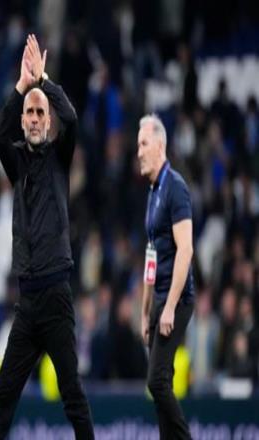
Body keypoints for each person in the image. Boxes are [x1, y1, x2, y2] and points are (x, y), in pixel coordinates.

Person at [0, 34, 94, 439]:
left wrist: (43, 81)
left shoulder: (60, 159)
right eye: (28, 112)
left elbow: (73, 118)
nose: (32, 117)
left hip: (55, 298)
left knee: (72, 395)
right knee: (3, 396)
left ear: (48, 123)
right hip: (27, 302)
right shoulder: (16, 161)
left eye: (39, 113)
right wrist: (21, 86)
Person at [138, 114, 194, 439]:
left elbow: (185, 249)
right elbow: (151, 256)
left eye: (143, 144)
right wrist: (146, 310)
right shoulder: (153, 192)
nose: (139, 152)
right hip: (158, 299)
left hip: (178, 298)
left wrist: (170, 306)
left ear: (160, 145)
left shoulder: (175, 187)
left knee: (156, 381)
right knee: (162, 386)